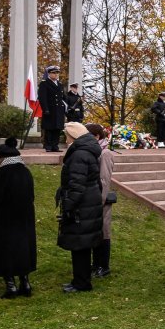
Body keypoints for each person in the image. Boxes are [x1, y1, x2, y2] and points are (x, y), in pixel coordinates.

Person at [56, 122, 104, 293]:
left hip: (82, 206)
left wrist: (68, 205)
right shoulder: (86, 151)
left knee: (80, 245)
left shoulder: (79, 154)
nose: (65, 138)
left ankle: (81, 283)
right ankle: (81, 280)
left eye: (66, 135)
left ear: (73, 136)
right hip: (89, 203)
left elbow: (77, 184)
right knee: (82, 244)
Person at [0, 137, 36, 299]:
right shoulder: (25, 171)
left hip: (6, 219)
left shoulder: (2, 173)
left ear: (2, 157)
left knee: (6, 249)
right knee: (23, 249)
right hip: (25, 217)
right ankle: (25, 283)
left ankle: (11, 286)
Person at [85, 123, 115, 278]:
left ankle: (103, 266)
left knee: (104, 233)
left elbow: (104, 179)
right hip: (94, 199)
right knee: (96, 233)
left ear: (97, 136)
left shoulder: (105, 153)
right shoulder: (94, 151)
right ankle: (96, 264)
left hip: (101, 201)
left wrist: (100, 200)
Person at [38, 65, 65, 152]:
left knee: (57, 128)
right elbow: (42, 97)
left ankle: (55, 146)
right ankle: (48, 146)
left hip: (59, 110)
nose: (56, 74)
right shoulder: (44, 83)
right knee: (49, 128)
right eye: (54, 73)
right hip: (50, 109)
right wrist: (45, 109)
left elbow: (63, 98)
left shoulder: (60, 85)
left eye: (57, 73)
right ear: (49, 74)